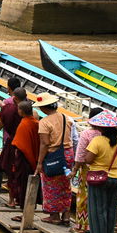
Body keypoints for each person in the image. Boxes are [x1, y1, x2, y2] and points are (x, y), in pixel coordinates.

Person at [82, 111, 117, 233]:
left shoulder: (97, 141)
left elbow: (88, 159)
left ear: (100, 128)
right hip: (116, 177)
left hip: (99, 177)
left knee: (97, 208)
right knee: (111, 207)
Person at [36, 96, 75, 225]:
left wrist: (40, 162)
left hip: (53, 156)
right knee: (65, 185)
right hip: (67, 154)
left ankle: (54, 216)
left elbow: (45, 144)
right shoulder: (66, 118)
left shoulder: (44, 122)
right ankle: (66, 214)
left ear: (43, 107)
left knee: (50, 186)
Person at [70, 107, 108, 233]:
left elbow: (80, 156)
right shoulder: (111, 136)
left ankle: (82, 226)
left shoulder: (87, 134)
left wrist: (75, 169)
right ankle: (97, 227)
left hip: (88, 170)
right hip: (105, 170)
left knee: (84, 197)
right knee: (100, 199)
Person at [7, 100, 41, 217]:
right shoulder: (36, 122)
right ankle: (29, 210)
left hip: (24, 159)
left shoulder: (24, 124)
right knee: (28, 185)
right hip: (34, 158)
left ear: (21, 111)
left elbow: (20, 145)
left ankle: (24, 214)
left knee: (22, 185)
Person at [0, 81, 27, 207]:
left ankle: (11, 201)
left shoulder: (10, 108)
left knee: (11, 172)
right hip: (25, 145)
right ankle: (21, 200)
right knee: (21, 173)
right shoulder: (29, 109)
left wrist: (3, 107)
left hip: (14, 143)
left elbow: (4, 120)